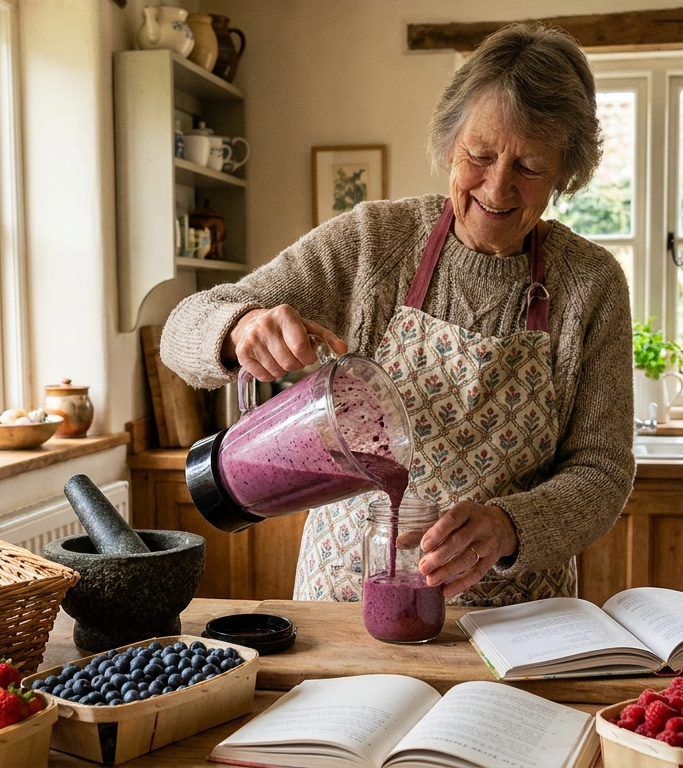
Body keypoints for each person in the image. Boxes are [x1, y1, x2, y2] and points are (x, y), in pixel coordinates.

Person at [161, 22, 634, 607]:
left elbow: (602, 472)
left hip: (514, 621)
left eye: (530, 166)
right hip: (347, 603)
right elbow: (182, 327)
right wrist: (237, 329)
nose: (498, 187)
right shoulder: (374, 241)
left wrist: (509, 526)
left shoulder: (591, 284)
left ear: (567, 170)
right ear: (448, 143)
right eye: (480, 155)